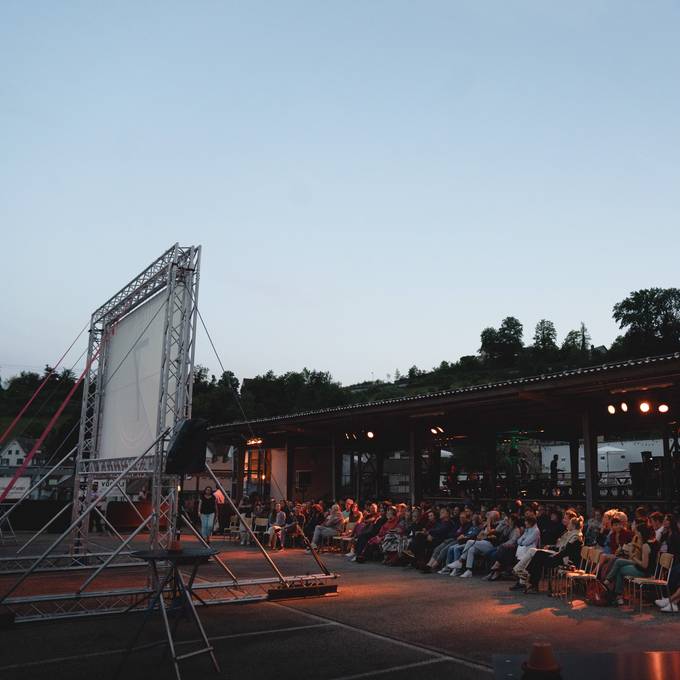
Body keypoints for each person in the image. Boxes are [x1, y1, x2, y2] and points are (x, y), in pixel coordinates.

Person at [604, 522, 658, 606]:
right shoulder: (655, 542)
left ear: (641, 533)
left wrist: (633, 557)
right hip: (644, 568)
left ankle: (616, 593)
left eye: (638, 532)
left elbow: (644, 565)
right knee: (618, 561)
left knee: (620, 569)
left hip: (644, 572)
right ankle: (609, 582)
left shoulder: (646, 546)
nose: (636, 534)